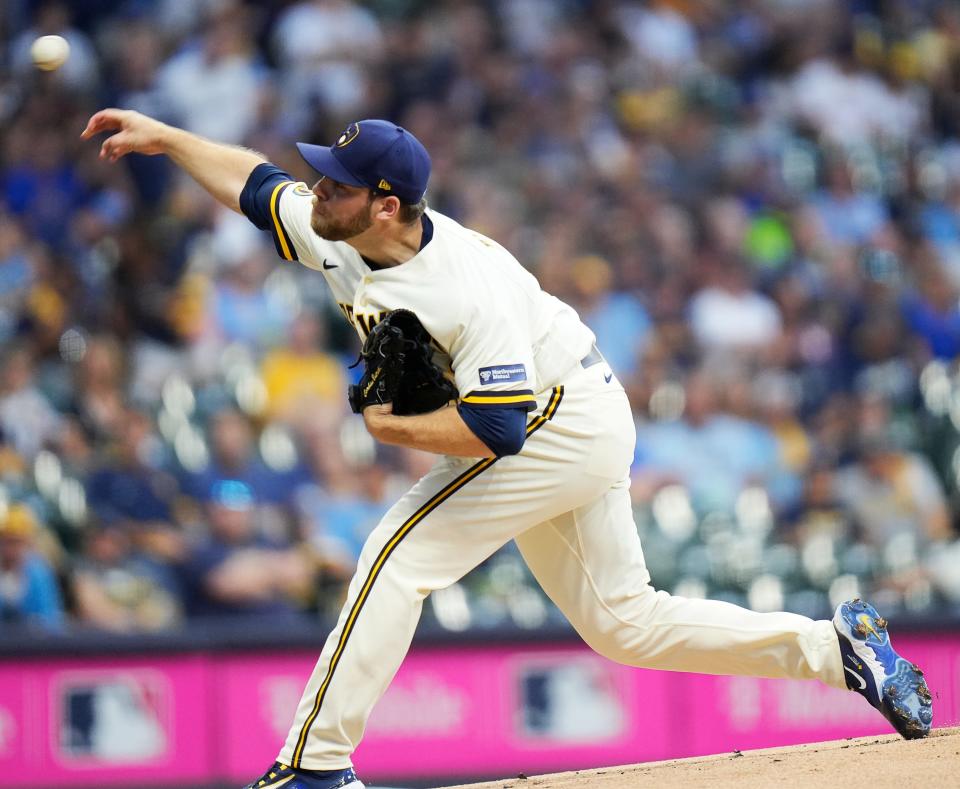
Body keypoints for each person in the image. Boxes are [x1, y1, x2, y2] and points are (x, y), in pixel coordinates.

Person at [81, 109, 933, 789]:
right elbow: (255, 184)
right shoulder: (340, 227)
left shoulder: (460, 287)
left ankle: (315, 764)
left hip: (558, 420)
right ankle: (838, 649)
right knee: (623, 622)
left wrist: (389, 428)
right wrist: (164, 138)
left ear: (383, 203)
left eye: (334, 184)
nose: (314, 189)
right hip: (577, 410)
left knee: (394, 553)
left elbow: (499, 428)